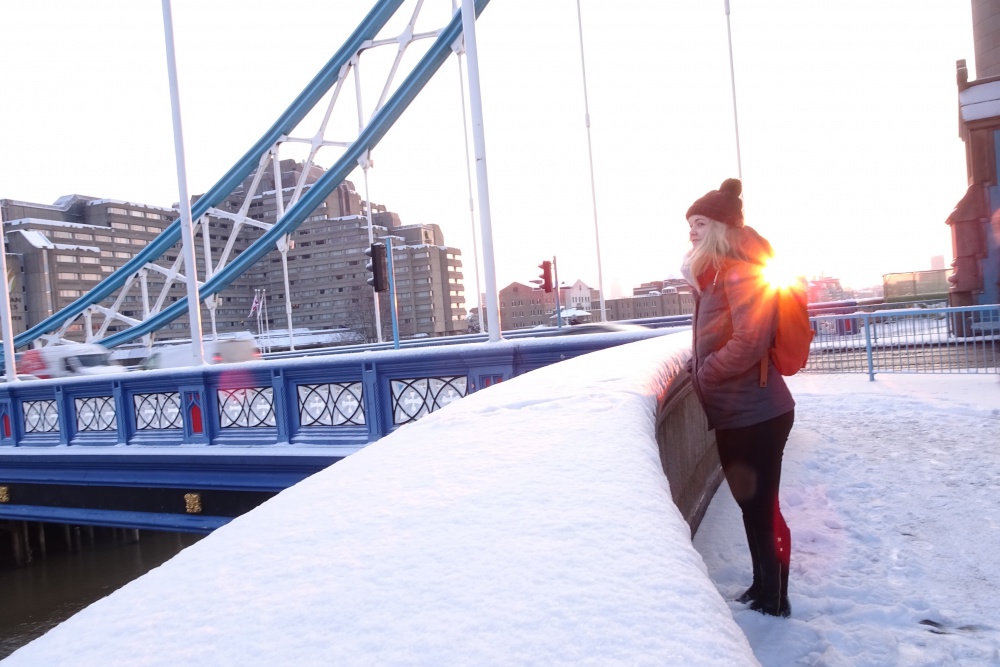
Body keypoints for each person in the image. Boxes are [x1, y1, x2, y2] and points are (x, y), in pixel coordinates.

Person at [681, 178, 796, 618]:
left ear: (721, 228)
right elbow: (716, 335)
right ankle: (762, 583)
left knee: (762, 506)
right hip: (737, 411)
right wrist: (698, 365)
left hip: (760, 412)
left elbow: (750, 340)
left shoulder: (739, 271)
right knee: (752, 506)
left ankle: (776, 597)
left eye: (700, 222)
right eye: (689, 223)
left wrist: (707, 371)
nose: (691, 230)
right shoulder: (713, 275)